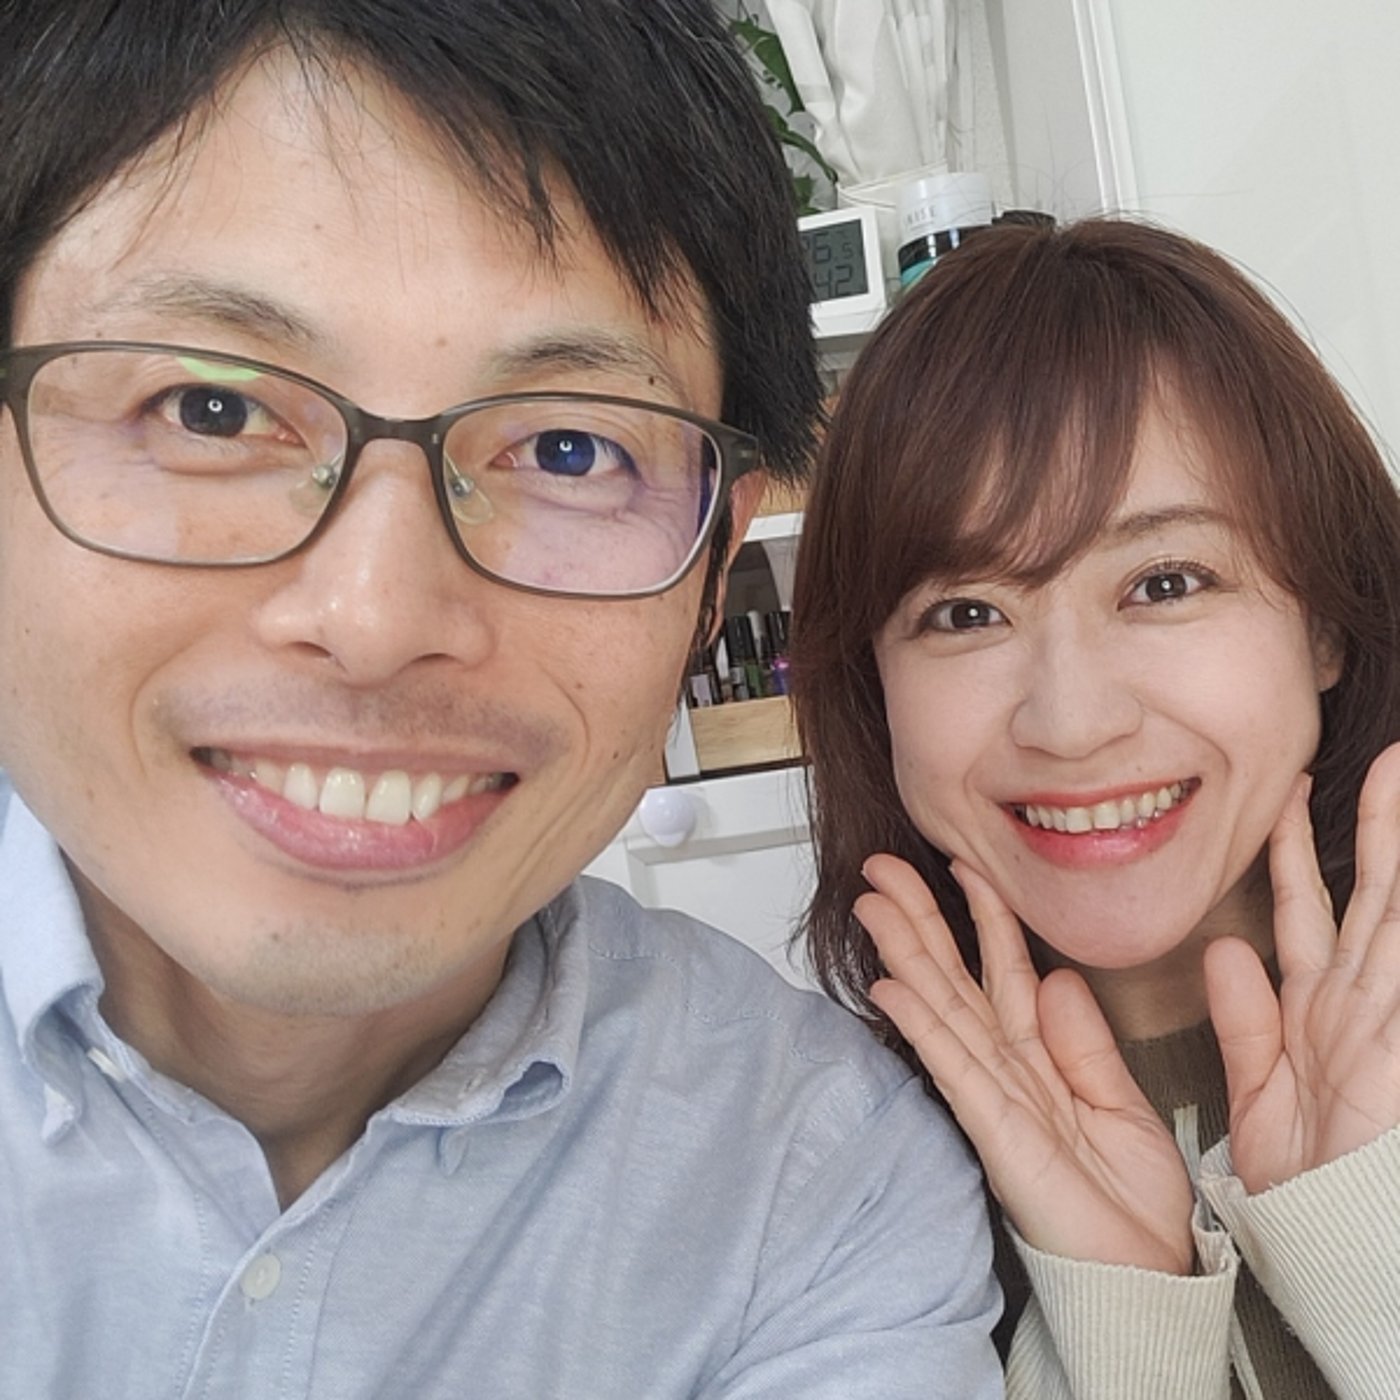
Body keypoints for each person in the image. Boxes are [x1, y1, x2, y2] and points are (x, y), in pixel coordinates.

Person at [0, 3, 1003, 1395]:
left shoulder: (817, 1181)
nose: (376, 620)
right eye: (209, 410)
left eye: (570, 448)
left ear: (712, 578)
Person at [790, 216, 1400, 1399]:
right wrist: (1127, 1331)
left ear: (1323, 622)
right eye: (964, 613)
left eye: (1163, 582)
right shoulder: (829, 1178)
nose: (1068, 722)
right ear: (873, 686)